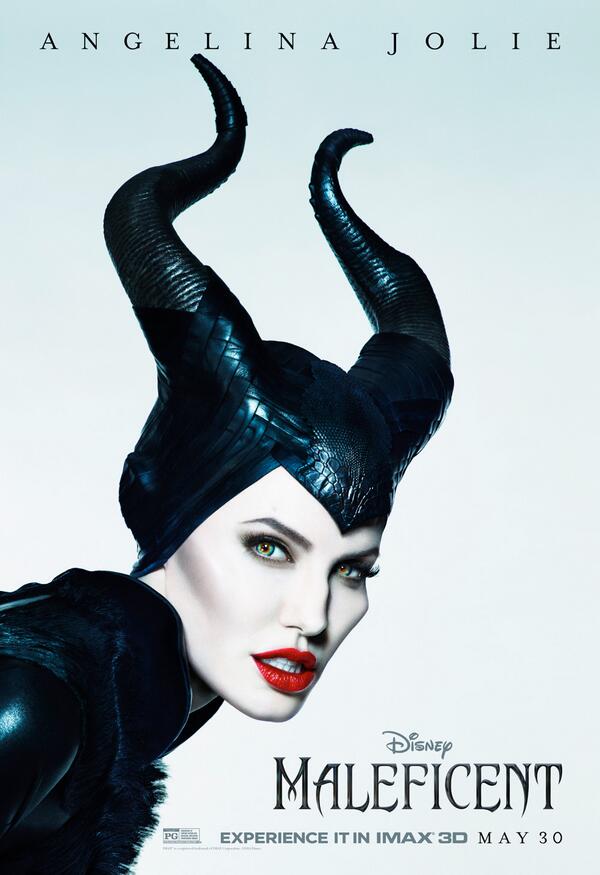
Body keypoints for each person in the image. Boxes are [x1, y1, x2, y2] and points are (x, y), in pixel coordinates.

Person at [0, 54, 453, 873]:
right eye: (269, 546)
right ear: (160, 509)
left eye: (353, 569)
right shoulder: (35, 703)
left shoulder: (133, 695)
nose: (313, 614)